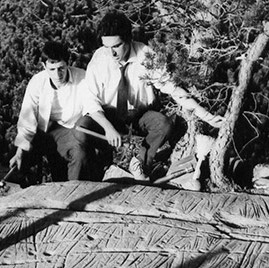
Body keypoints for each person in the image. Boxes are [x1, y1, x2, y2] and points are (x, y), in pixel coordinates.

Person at [76, 10, 224, 181]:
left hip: (140, 114)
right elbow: (90, 100)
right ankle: (102, 165)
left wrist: (207, 116)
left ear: (128, 39)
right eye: (106, 47)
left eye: (116, 46)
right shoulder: (99, 58)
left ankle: (139, 164)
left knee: (163, 124)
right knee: (81, 130)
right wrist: (108, 129)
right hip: (109, 115)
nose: (112, 53)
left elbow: (172, 88)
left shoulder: (145, 54)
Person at [9, 41, 89, 181]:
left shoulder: (82, 78)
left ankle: (73, 193)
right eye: (52, 69)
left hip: (70, 129)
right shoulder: (37, 82)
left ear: (67, 63)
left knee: (79, 153)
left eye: (61, 68)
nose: (57, 74)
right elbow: (27, 119)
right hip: (43, 130)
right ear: (44, 66)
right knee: (21, 157)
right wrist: (20, 151)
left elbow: (91, 109)